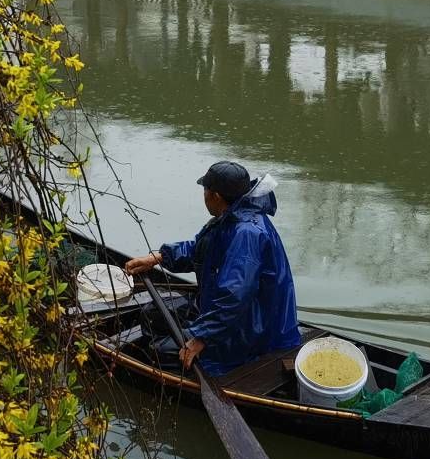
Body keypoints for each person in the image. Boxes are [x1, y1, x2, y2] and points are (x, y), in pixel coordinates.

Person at [122, 161, 301, 377]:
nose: (203, 195)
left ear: (215, 196)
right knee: (152, 314)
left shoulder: (247, 234)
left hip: (255, 331)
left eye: (205, 190)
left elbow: (234, 297)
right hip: (236, 316)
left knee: (159, 353)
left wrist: (201, 338)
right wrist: (159, 258)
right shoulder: (233, 216)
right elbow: (202, 251)